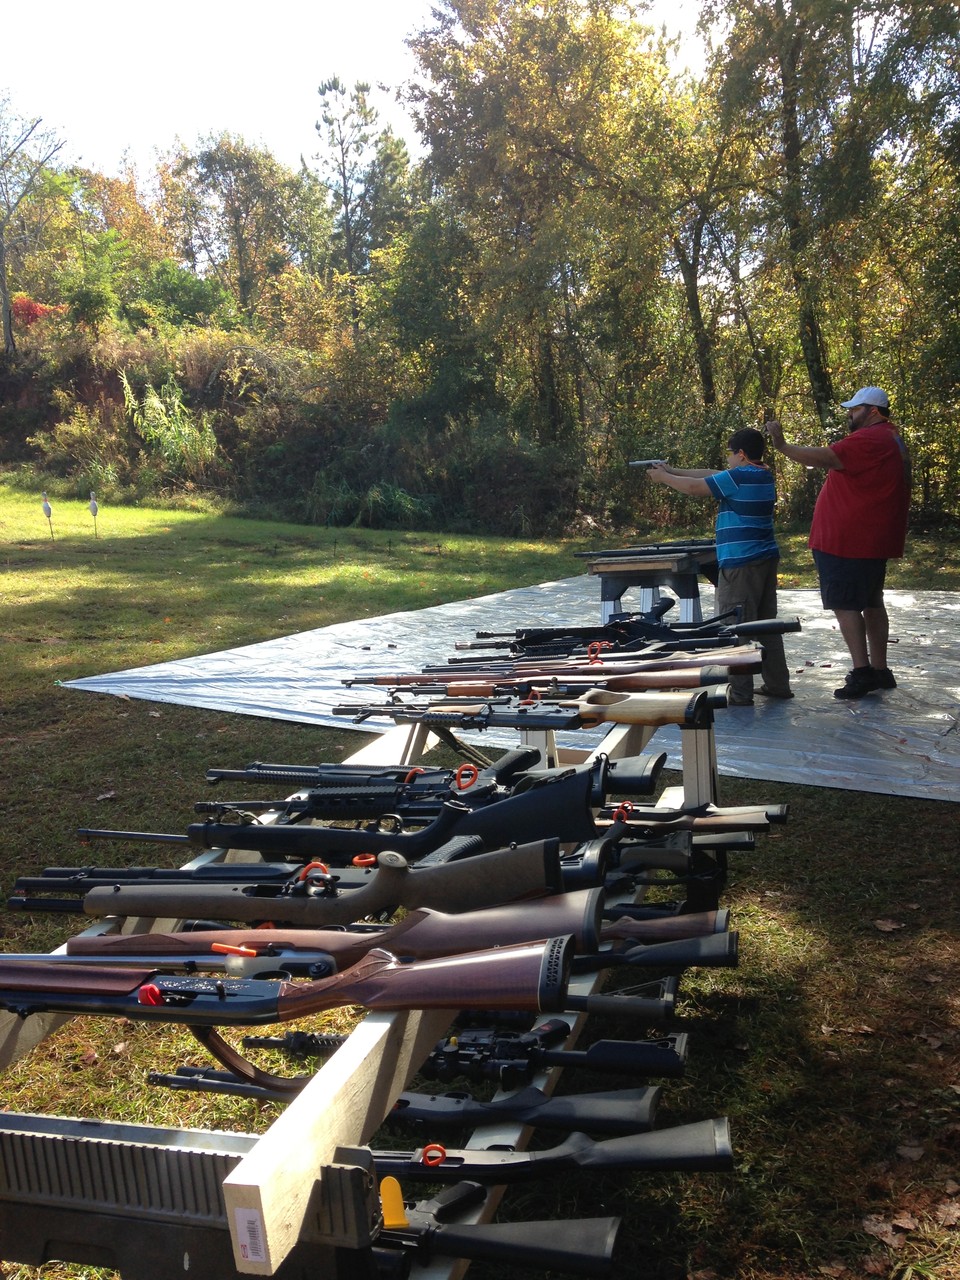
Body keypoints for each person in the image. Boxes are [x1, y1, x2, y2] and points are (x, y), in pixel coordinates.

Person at [763, 386, 910, 700]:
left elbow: (826, 457)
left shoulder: (871, 438)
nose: (850, 414)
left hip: (848, 541)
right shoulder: (891, 437)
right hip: (867, 539)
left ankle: (862, 672)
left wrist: (782, 444)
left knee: (845, 604)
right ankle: (880, 670)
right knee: (871, 602)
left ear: (872, 410)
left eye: (855, 409)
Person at [646, 428, 793, 706]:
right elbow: (709, 473)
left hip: (741, 562)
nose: (726, 459)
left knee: (734, 626)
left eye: (730, 453)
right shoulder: (760, 473)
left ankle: (739, 692)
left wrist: (664, 478)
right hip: (764, 558)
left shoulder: (738, 477)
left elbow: (695, 487)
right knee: (767, 625)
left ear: (741, 454)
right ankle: (777, 684)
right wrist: (674, 469)